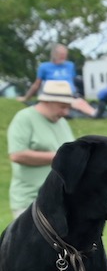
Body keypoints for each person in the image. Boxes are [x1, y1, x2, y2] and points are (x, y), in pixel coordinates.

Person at [6, 78, 76, 217]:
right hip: (31, 202)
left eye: (68, 107)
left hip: (62, 201)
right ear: (46, 101)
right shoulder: (24, 118)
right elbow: (17, 155)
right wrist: (61, 157)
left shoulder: (62, 122)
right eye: (62, 106)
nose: (66, 112)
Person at [29, 44, 98, 118]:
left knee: (79, 101)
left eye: (65, 54)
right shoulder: (44, 67)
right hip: (54, 93)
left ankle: (93, 112)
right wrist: (26, 97)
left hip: (70, 93)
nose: (63, 57)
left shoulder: (70, 65)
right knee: (77, 102)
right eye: (61, 54)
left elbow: (73, 80)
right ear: (54, 54)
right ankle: (94, 113)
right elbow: (37, 84)